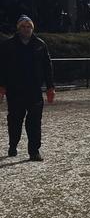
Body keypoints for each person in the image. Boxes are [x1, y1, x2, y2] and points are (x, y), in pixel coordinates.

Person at [0, 15, 55, 162]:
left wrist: (50, 87)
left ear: (32, 28)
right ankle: (13, 144)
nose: (26, 29)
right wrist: (2, 86)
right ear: (18, 28)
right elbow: (2, 68)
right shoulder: (8, 45)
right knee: (15, 121)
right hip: (15, 90)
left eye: (29, 26)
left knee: (35, 122)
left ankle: (34, 151)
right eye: (23, 27)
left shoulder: (40, 44)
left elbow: (47, 66)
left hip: (34, 90)